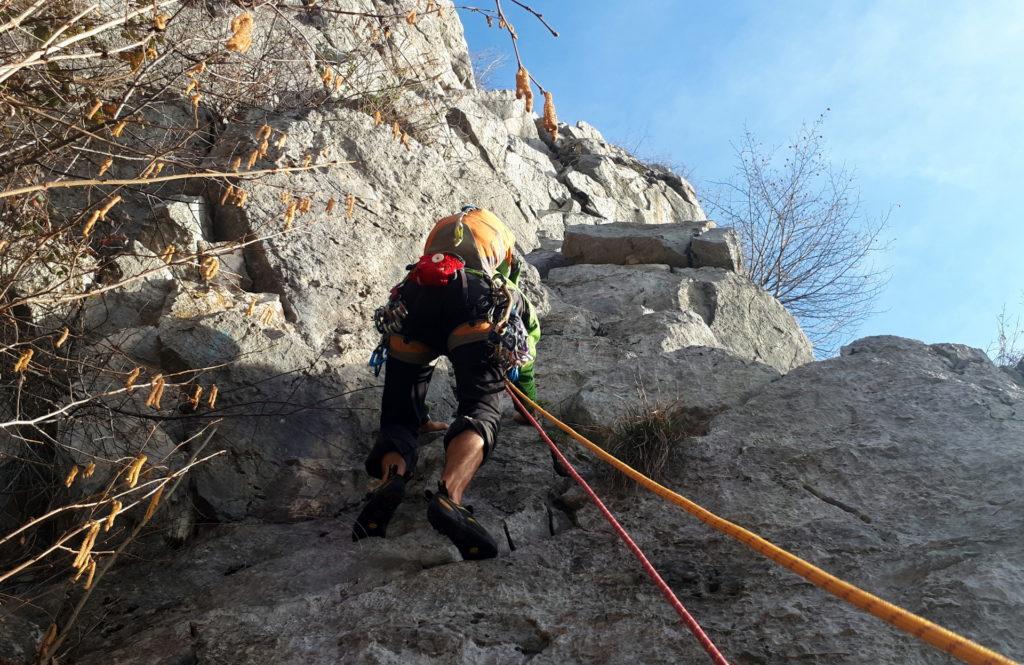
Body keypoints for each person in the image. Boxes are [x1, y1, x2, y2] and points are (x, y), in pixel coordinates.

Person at [351, 206, 540, 560]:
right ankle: (450, 497)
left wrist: (419, 418)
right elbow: (523, 356)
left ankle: (392, 477)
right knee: (480, 407)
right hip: (475, 303)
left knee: (398, 417)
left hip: (411, 302)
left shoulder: (435, 248)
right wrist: (528, 406)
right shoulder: (502, 273)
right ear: (500, 255)